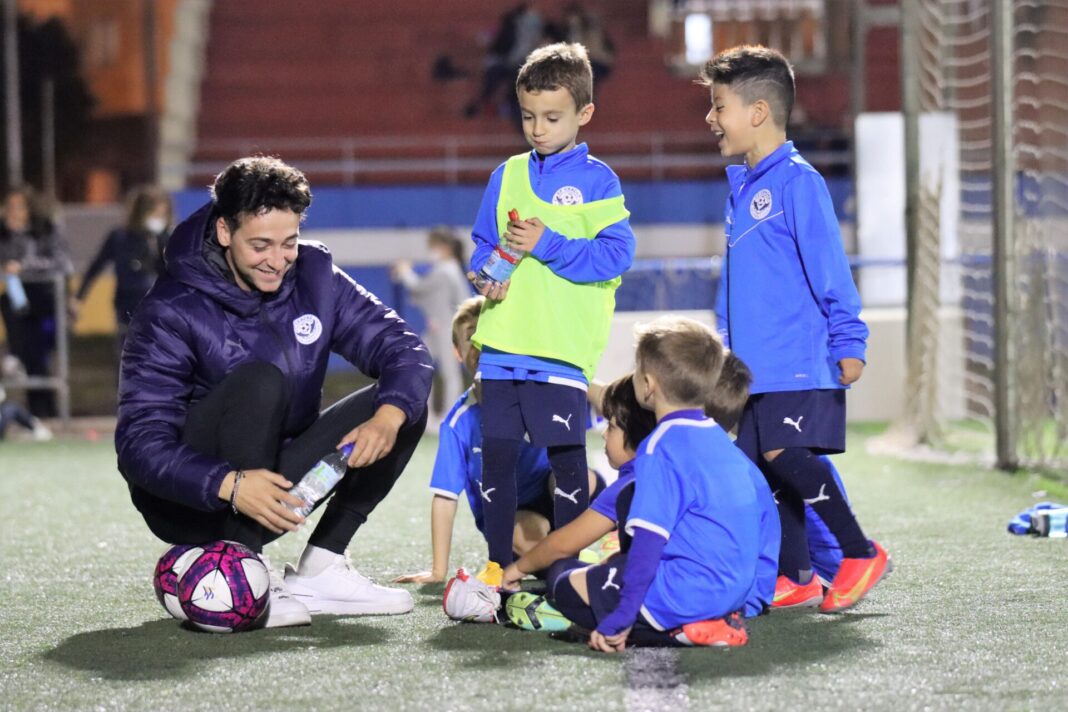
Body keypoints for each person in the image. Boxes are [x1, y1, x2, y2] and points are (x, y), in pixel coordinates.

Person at [115, 157, 433, 628]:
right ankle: (247, 569)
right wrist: (228, 483)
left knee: (402, 402)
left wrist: (388, 416)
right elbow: (139, 444)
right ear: (224, 231)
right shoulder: (169, 308)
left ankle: (320, 568)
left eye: (289, 243)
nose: (278, 260)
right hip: (190, 498)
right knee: (260, 381)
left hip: (275, 479)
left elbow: (402, 348)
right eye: (260, 244)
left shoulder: (314, 276)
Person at [702, 45, 890, 613]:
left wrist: (849, 340)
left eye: (718, 107)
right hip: (754, 368)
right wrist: (724, 354)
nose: (710, 119)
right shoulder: (741, 188)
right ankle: (799, 573)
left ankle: (860, 552)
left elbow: (830, 269)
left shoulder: (798, 183)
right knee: (763, 462)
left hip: (797, 360)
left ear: (757, 112)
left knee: (785, 451)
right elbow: (734, 284)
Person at [464, 42, 635, 584]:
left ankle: (565, 571)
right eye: (529, 116)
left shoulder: (599, 180)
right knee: (497, 464)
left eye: (552, 117)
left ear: (584, 114)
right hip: (501, 347)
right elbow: (482, 245)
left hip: (560, 351)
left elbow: (616, 256)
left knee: (567, 466)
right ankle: (495, 571)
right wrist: (483, 272)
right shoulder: (506, 174)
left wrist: (547, 242)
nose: (538, 128)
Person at [548, 317, 762, 651]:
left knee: (564, 585)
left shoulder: (659, 447)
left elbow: (648, 543)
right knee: (608, 567)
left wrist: (620, 619)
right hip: (734, 593)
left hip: (684, 594)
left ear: (648, 384)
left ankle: (677, 631)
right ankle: (711, 620)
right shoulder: (720, 440)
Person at [397, 296, 604, 585]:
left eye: (489, 332)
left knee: (578, 477)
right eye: (472, 337)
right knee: (523, 536)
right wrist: (438, 571)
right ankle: (576, 568)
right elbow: (445, 497)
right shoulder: (459, 422)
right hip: (513, 515)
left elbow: (605, 400)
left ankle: (599, 549)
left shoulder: (538, 389)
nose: (481, 344)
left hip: (553, 491)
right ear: (457, 352)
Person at [72, 185, 174, 352]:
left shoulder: (165, 239)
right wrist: (79, 297)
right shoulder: (119, 237)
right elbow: (96, 267)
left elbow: (173, 274)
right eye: (154, 213)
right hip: (127, 304)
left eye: (162, 214)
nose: (158, 219)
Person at [0, 186, 72, 417]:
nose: (13, 212)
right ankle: (42, 412)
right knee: (32, 356)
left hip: (46, 297)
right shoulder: (4, 233)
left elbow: (61, 263)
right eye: (9, 207)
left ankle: (15, 355)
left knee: (38, 352)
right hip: (19, 301)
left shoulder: (46, 229)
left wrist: (24, 266)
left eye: (19, 207)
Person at [391, 227, 470, 423]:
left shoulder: (446, 270)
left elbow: (419, 288)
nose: (431, 251)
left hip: (449, 328)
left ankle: (449, 416)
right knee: (423, 366)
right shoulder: (448, 269)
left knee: (449, 373)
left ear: (444, 248)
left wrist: (405, 272)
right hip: (441, 327)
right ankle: (430, 416)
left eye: (433, 246)